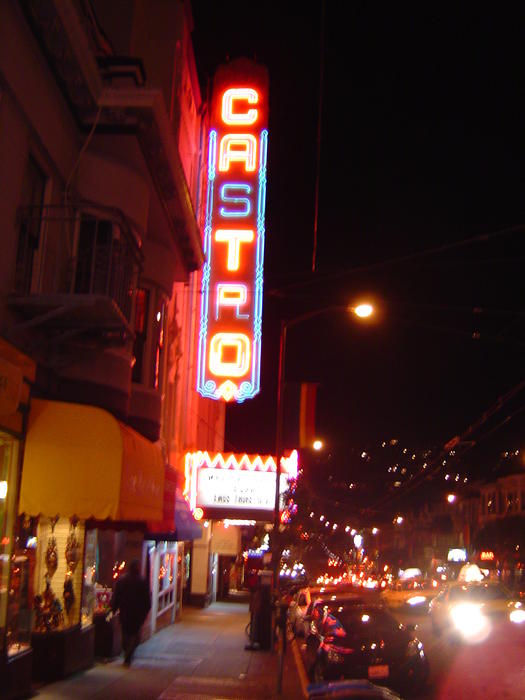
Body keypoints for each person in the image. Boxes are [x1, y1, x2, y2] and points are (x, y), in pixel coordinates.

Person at [110, 558, 151, 666]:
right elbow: (147, 600)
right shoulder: (142, 581)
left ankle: (127, 651)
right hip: (137, 613)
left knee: (126, 633)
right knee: (135, 635)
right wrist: (145, 613)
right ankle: (129, 653)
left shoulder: (122, 580)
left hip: (125, 612)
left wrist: (114, 609)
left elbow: (116, 596)